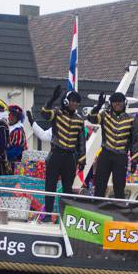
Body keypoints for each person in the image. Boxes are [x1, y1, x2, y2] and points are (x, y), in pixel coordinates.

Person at [39, 85, 85, 219]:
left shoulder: (79, 120)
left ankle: (66, 217)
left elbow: (81, 141)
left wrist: (82, 159)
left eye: (77, 101)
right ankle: (47, 214)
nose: (75, 103)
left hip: (70, 157)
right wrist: (51, 100)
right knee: (50, 185)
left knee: (67, 189)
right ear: (66, 101)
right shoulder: (57, 112)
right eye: (72, 101)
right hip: (56, 154)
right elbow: (44, 114)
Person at [86, 92, 138, 199]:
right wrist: (98, 106)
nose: (117, 104)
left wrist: (134, 160)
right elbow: (91, 119)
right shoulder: (104, 115)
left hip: (121, 156)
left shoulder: (131, 119)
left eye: (120, 101)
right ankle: (97, 209)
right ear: (111, 103)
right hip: (106, 154)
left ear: (124, 103)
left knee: (119, 187)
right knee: (100, 185)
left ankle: (119, 211)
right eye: (114, 102)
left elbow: (135, 141)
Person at [6, 105, 27, 173]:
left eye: (11, 116)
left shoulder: (18, 131)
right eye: (9, 115)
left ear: (16, 118)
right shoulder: (9, 128)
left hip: (14, 164)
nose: (9, 118)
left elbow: (17, 151)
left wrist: (4, 155)